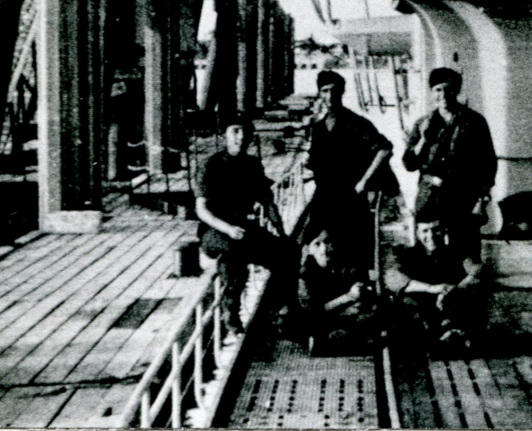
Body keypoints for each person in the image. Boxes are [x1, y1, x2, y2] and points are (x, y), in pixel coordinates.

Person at [196, 117, 296, 337]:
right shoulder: (211, 165)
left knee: (287, 253)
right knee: (235, 253)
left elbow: (268, 202)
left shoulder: (252, 165)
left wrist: (281, 233)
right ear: (225, 135)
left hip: (243, 226)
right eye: (235, 131)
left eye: (245, 133)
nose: (241, 137)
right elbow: (201, 209)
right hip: (214, 230)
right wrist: (227, 229)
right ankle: (231, 318)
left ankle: (281, 312)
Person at [402, 67, 497, 262]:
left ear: (457, 91)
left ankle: (464, 290)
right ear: (431, 92)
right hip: (429, 197)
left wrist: (481, 200)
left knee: (465, 251)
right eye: (438, 89)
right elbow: (409, 164)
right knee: (428, 252)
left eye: (449, 89)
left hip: (463, 196)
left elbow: (488, 164)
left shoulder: (474, 122)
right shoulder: (422, 123)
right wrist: (423, 139)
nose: (443, 94)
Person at [306, 70, 397, 268]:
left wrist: (364, 181)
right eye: (325, 91)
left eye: (334, 91)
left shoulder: (356, 123)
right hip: (323, 198)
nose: (330, 96)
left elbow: (385, 149)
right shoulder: (318, 128)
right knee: (316, 247)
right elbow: (314, 163)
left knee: (353, 251)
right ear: (320, 93)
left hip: (350, 198)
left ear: (342, 92)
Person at [385, 218, 482, 353]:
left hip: (449, 306)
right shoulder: (405, 254)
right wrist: (431, 289)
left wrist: (451, 291)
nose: (431, 236)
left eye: (436, 230)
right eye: (425, 231)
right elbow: (393, 279)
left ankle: (453, 333)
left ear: (444, 232)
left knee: (472, 295)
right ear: (417, 233)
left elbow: (478, 270)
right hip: (421, 311)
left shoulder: (457, 252)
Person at [297, 226, 378, 355]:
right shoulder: (305, 275)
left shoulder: (340, 262)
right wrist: (349, 296)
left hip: (343, 314)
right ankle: (326, 342)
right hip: (320, 320)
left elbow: (359, 276)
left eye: (328, 242)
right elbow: (312, 312)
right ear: (310, 249)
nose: (324, 248)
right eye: (317, 244)